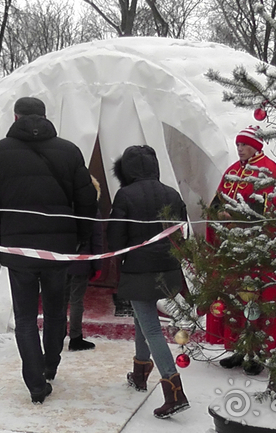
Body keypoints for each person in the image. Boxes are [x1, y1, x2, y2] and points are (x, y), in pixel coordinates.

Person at [0, 96, 98, 405]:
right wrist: (83, 238)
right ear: (44, 116)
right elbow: (86, 202)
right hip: (58, 250)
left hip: (18, 249)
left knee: (26, 318)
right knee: (56, 310)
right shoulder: (69, 151)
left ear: (15, 118)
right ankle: (50, 365)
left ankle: (35, 383)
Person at [204, 125, 276, 376]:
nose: (239, 149)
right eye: (238, 145)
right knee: (236, 301)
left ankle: (256, 353)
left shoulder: (267, 170)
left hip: (258, 253)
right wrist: (217, 213)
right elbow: (218, 201)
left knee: (257, 302)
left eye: (244, 144)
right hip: (233, 251)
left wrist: (234, 215)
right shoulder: (233, 170)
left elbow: (266, 209)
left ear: (256, 146)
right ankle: (239, 348)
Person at [107, 145, 190, 419]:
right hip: (167, 267)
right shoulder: (171, 193)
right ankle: (140, 373)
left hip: (138, 268)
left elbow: (116, 238)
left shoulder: (125, 195)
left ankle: (174, 391)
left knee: (151, 327)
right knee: (141, 320)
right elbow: (180, 233)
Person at [64, 175, 103, 351]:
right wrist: (97, 265)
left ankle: (56, 336)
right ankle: (75, 337)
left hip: (60, 261)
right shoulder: (92, 210)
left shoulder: (62, 207)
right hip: (82, 262)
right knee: (76, 301)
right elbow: (97, 239)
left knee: (58, 300)